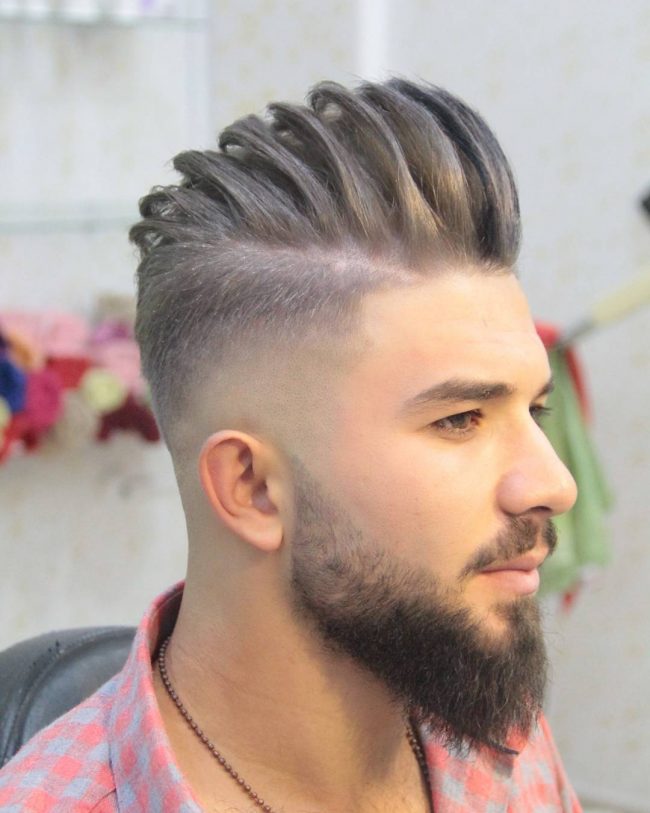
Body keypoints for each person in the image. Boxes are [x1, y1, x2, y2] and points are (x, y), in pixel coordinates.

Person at [0, 78, 581, 812]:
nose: (555, 484)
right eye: (461, 419)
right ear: (252, 487)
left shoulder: (495, 735)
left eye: (536, 408)